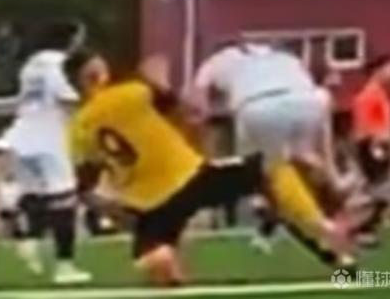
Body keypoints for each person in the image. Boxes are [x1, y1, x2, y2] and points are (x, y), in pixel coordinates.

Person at [65, 49, 263, 286]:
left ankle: (164, 263)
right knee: (268, 170)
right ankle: (293, 218)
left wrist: (113, 210)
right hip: (188, 175)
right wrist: (160, 79)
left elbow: (86, 182)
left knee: (151, 253)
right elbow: (175, 105)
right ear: (96, 74)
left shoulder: (78, 128)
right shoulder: (131, 93)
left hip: (150, 202)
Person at [190, 40, 357, 269]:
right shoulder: (285, 57)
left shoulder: (216, 61)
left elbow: (198, 99)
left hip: (258, 108)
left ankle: (314, 221)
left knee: (272, 171)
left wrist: (201, 122)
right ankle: (333, 177)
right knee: (301, 154)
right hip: (310, 102)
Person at [0, 21, 91, 285]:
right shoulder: (57, 64)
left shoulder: (30, 65)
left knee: (35, 194)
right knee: (64, 198)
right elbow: (65, 98)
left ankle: (28, 240)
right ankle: (65, 265)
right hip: (49, 134)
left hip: (22, 132)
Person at [352, 54, 390, 245]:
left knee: (385, 189)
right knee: (381, 189)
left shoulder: (380, 93)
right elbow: (364, 125)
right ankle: (362, 229)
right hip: (372, 145)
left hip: (379, 144)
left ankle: (366, 229)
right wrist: (376, 144)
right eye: (389, 68)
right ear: (378, 70)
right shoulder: (369, 95)